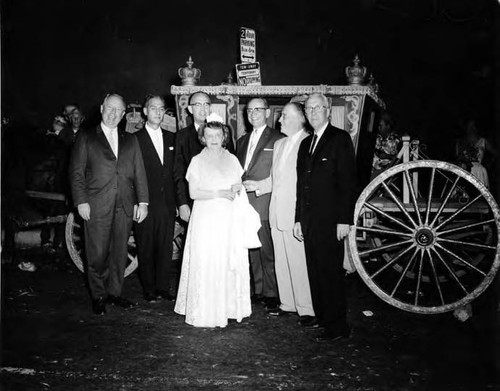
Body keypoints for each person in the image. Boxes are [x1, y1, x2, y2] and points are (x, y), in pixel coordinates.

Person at [174, 113, 260, 328]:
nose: (213, 139)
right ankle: (206, 310)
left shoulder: (232, 159)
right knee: (208, 260)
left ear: (224, 136)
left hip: (228, 219)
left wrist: (236, 188)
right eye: (209, 135)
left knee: (226, 260)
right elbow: (194, 193)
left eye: (217, 135)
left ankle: (228, 307)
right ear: (203, 138)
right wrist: (220, 193)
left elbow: (237, 184)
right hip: (206, 218)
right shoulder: (197, 160)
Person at [70, 93, 149, 315]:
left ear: (124, 114)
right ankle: (98, 296)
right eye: (110, 109)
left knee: (119, 252)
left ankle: (114, 293)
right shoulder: (86, 137)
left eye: (119, 111)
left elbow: (139, 172)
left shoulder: (130, 139)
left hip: (124, 204)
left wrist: (142, 202)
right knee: (96, 253)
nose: (114, 114)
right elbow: (76, 173)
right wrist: (81, 201)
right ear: (102, 108)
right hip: (95, 205)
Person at [243, 102, 316, 324]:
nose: (279, 120)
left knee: (299, 263)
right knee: (282, 262)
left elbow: (307, 185)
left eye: (284, 116)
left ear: (299, 119)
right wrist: (254, 186)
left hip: (294, 214)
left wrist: (301, 217)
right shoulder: (282, 144)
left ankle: (306, 309)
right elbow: (275, 179)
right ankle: (288, 303)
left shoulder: (308, 143)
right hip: (276, 212)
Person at [294, 93, 357, 342]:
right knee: (315, 271)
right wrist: (299, 219)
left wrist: (344, 220)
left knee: (330, 273)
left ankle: (338, 326)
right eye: (309, 109)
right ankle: (322, 318)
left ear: (328, 110)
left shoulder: (340, 139)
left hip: (332, 221)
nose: (312, 112)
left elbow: (347, 183)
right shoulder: (305, 143)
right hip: (310, 221)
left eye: (317, 108)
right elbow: (302, 186)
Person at [237, 98, 285, 311]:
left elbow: (282, 175)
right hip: (244, 204)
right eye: (249, 110)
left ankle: (272, 293)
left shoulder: (279, 139)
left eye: (258, 109)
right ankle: (258, 290)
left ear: (267, 113)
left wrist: (259, 186)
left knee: (268, 250)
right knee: (252, 249)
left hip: (264, 202)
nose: (253, 113)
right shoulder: (242, 141)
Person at [134, 95, 178, 303]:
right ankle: (149, 289)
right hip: (145, 203)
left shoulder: (172, 138)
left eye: (161, 109)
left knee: (165, 247)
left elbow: (176, 173)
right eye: (153, 109)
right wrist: (137, 201)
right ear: (145, 111)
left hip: (167, 204)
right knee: (145, 246)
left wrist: (178, 202)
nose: (158, 113)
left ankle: (163, 288)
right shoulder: (134, 139)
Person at [174, 92, 234, 224]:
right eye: (198, 105)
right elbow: (178, 172)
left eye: (206, 105)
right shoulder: (182, 136)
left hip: (222, 200)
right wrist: (182, 203)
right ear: (190, 109)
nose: (203, 109)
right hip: (195, 201)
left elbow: (231, 166)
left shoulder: (223, 131)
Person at [455, 119, 498, 189]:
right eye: (469, 126)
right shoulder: (460, 141)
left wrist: (489, 165)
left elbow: (495, 153)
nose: (471, 128)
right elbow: (457, 157)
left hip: (479, 170)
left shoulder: (483, 140)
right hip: (464, 168)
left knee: (480, 193)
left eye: (473, 126)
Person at [370, 112, 402, 179]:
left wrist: (387, 156)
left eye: (381, 126)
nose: (378, 128)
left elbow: (401, 159)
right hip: (372, 170)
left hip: (386, 173)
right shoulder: (376, 137)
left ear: (388, 126)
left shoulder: (397, 140)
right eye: (378, 126)